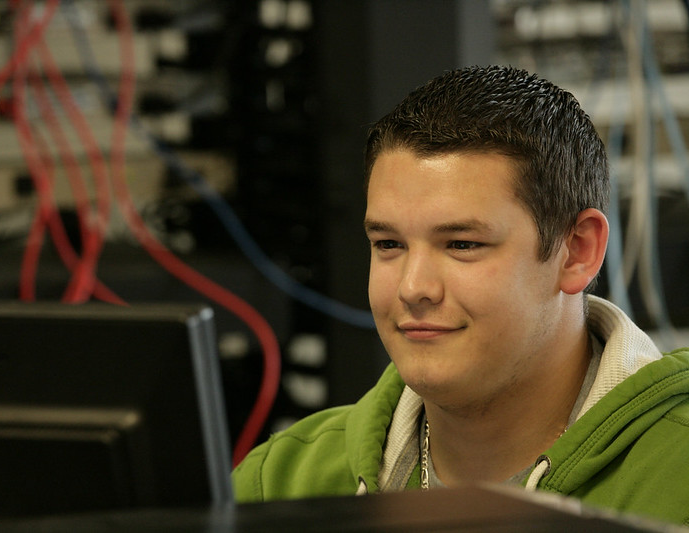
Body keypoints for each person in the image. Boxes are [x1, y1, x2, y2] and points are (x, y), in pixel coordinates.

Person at [231, 65, 689, 526]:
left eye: (462, 244)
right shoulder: (281, 483)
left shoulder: (675, 477)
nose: (413, 289)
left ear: (577, 251)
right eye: (388, 244)